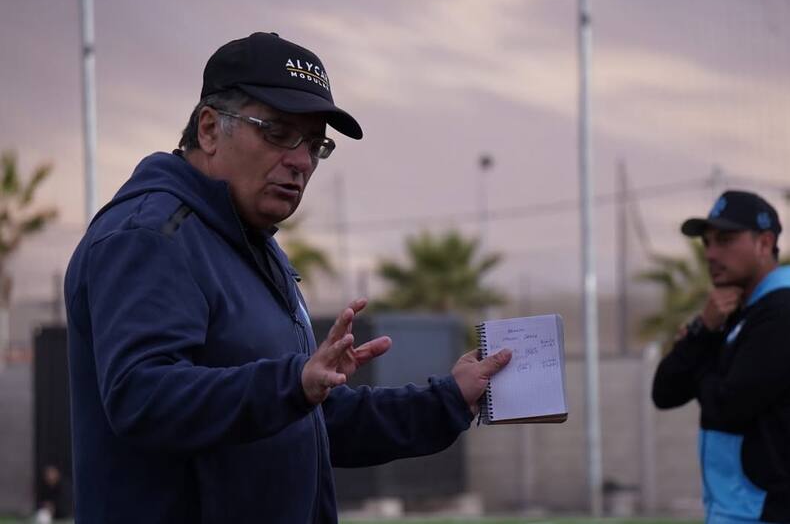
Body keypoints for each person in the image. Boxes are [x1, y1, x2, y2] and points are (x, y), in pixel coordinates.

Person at [64, 32, 511, 523]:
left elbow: (309, 422)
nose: (300, 160)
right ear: (210, 129)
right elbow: (142, 397)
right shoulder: (151, 235)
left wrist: (448, 398)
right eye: (277, 132)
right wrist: (293, 384)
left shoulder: (253, 247)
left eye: (316, 144)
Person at [652, 190, 790, 524]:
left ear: (764, 243)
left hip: (768, 513)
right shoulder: (736, 312)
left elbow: (726, 406)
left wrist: (699, 352)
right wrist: (703, 329)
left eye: (726, 240)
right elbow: (664, 392)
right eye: (707, 243)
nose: (712, 254)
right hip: (735, 511)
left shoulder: (786, 313)